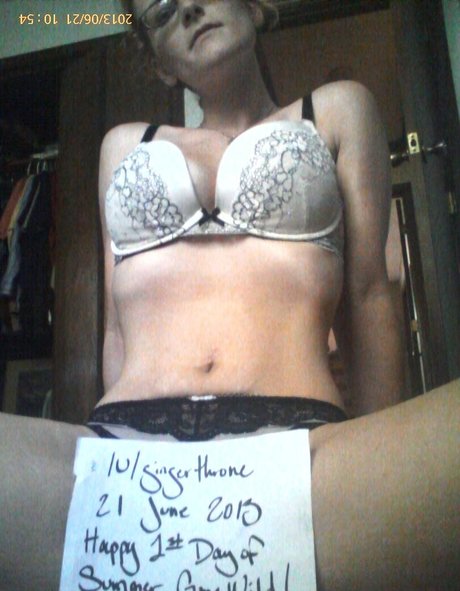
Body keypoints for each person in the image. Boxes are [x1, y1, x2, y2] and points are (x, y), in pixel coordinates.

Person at [0, 1, 459, 590]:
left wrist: (376, 461)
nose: (189, 9)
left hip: (302, 443)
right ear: (161, 64)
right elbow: (117, 327)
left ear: (255, 7)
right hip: (127, 448)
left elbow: (369, 295)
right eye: (162, 12)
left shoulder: (338, 109)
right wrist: (108, 455)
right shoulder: (123, 145)